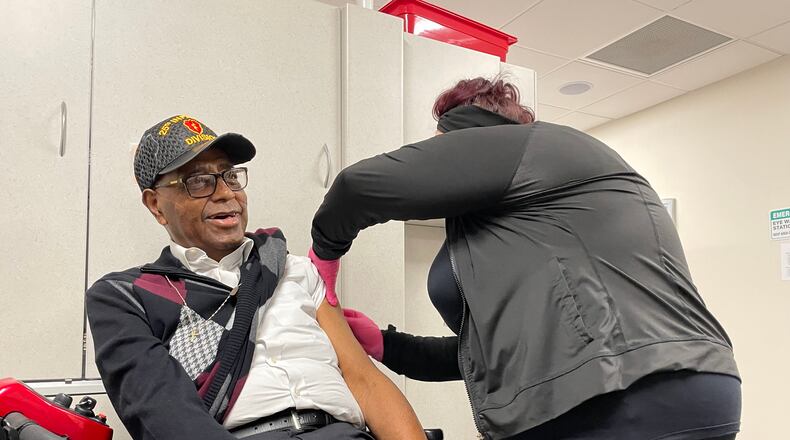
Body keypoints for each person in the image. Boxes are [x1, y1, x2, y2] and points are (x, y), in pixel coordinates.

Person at [308, 78, 741, 440]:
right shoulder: (521, 218)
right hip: (670, 388)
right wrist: (388, 345)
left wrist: (322, 259)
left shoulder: (531, 148)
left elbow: (357, 188)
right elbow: (495, 354)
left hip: (624, 396)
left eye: (438, 145)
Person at [85, 115, 426, 440]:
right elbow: (169, 419)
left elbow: (364, 379)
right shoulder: (127, 296)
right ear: (156, 205)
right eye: (199, 181)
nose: (225, 193)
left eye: (229, 176)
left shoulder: (292, 269)